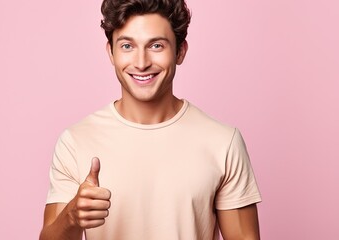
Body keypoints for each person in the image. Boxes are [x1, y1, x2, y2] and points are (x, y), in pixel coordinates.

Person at [39, 0, 262, 239]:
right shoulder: (76, 141)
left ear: (180, 51)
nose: (142, 62)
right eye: (127, 46)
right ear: (110, 53)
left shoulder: (223, 142)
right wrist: (72, 216)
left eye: (156, 45)